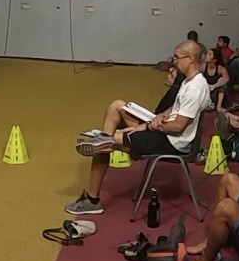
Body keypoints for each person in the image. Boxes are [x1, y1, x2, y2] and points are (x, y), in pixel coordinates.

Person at [65, 39, 210, 215]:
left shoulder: (196, 88)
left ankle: (92, 198)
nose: (174, 61)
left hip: (172, 142)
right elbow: (177, 107)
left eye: (177, 57)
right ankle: (103, 142)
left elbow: (178, 126)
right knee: (116, 106)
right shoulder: (189, 81)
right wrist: (160, 116)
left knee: (105, 142)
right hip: (164, 130)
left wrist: (148, 127)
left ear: (190, 59)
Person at [204, 47, 231, 112]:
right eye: (207, 53)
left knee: (222, 82)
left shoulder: (221, 68)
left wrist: (214, 86)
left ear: (215, 60)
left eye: (210, 54)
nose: (206, 55)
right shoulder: (202, 67)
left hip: (217, 93)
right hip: (206, 92)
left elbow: (226, 79)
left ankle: (219, 106)